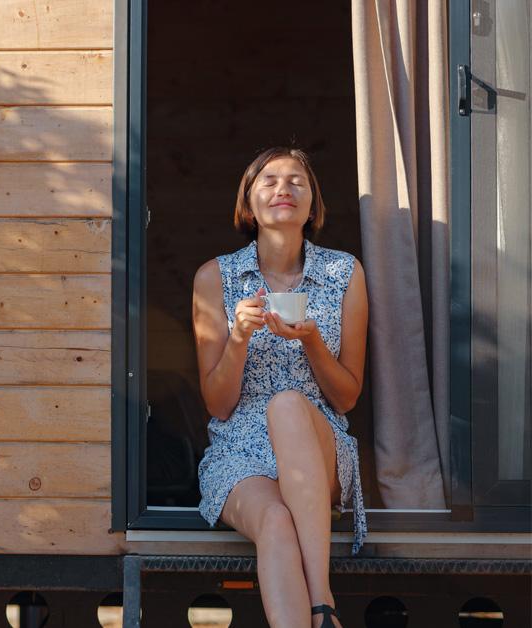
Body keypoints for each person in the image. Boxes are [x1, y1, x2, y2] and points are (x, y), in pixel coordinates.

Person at [191, 147, 368, 628]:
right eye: (268, 180)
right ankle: (320, 616)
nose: (283, 188)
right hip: (239, 452)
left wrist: (312, 339)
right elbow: (219, 404)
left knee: (288, 405)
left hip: (318, 445)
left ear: (313, 206)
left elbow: (347, 396)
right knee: (274, 522)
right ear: (248, 204)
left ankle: (321, 598)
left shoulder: (343, 273)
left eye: (297, 181)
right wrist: (238, 338)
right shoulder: (215, 278)